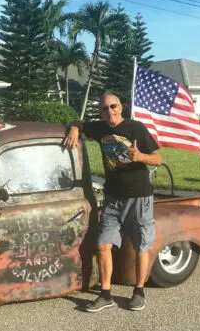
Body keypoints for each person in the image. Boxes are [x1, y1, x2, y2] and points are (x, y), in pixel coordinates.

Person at [63, 92, 162, 311]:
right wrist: (74, 127)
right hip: (113, 198)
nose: (109, 111)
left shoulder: (136, 128)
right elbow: (77, 121)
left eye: (113, 106)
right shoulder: (101, 129)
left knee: (141, 245)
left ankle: (139, 292)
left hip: (139, 197)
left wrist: (141, 157)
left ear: (121, 107)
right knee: (103, 244)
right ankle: (106, 294)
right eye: (104, 109)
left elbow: (158, 158)